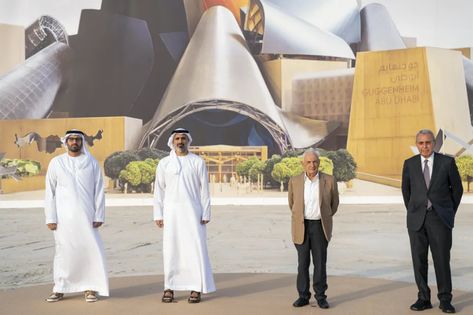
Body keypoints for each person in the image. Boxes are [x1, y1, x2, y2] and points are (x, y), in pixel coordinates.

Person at [402, 129, 463, 313]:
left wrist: (448, 212)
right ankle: (423, 298)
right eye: (421, 143)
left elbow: (457, 190)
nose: (425, 146)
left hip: (439, 219)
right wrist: (414, 210)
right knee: (419, 261)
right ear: (417, 144)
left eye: (428, 142)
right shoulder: (410, 164)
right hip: (416, 220)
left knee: (441, 260)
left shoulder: (447, 162)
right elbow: (406, 191)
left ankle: (445, 299)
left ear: (433, 144)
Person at [44, 129, 109, 303]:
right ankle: (60, 288)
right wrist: (50, 217)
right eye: (71, 140)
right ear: (66, 142)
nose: (74, 142)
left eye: (77, 140)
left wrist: (99, 215)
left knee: (89, 251)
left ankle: (90, 288)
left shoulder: (91, 162)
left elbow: (99, 191)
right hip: (63, 218)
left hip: (87, 217)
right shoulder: (56, 163)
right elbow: (49, 192)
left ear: (82, 142)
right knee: (63, 253)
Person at [153, 128, 216, 303]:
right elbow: (159, 190)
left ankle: (195, 288)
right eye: (177, 138)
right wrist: (158, 213)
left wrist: (206, 212)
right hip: (171, 214)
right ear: (172, 141)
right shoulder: (164, 163)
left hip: (193, 213)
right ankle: (169, 287)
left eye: (183, 138)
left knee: (194, 250)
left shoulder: (197, 162)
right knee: (171, 250)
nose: (180, 141)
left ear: (188, 140)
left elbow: (204, 189)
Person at [288, 148, 339, 309]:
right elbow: (292, 204)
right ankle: (303, 296)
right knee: (302, 263)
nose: (312, 165)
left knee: (320, 263)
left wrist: (324, 216)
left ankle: (321, 296)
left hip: (319, 226)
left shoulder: (329, 180)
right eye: (308, 162)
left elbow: (334, 205)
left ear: (319, 163)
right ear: (303, 164)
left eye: (315, 161)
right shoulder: (294, 181)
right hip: (301, 227)